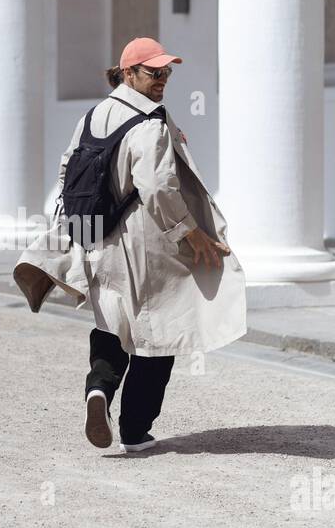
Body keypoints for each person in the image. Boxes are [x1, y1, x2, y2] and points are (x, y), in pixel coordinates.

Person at [13, 37, 247, 453]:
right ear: (128, 73)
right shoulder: (148, 124)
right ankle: (135, 431)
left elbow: (68, 168)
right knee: (158, 331)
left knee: (111, 324)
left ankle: (98, 391)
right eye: (154, 72)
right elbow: (157, 187)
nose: (163, 79)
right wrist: (190, 232)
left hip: (97, 236)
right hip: (145, 241)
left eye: (167, 72)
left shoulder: (92, 116)